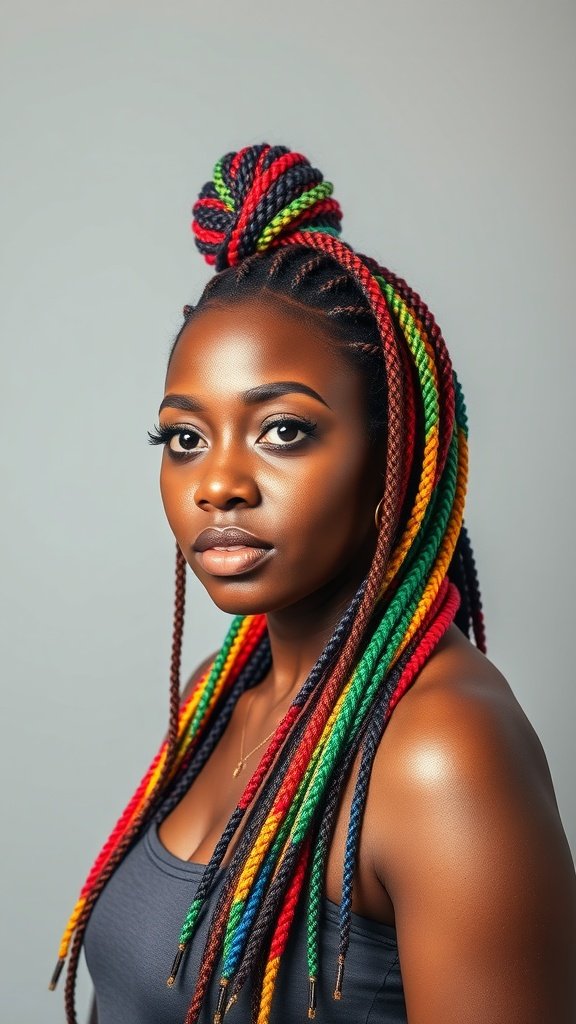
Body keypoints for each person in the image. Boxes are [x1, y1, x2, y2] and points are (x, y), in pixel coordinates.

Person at [49, 143, 576, 1024]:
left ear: (391, 465)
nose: (218, 482)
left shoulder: (442, 753)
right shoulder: (217, 698)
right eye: (184, 438)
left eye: (283, 430)